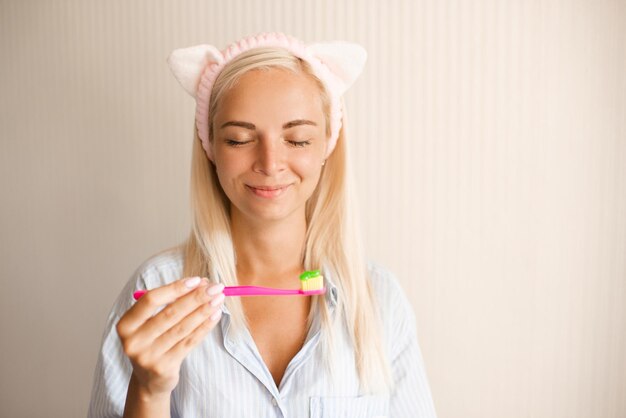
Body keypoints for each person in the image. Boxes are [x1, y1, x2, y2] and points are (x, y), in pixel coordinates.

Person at [87, 32, 437, 418]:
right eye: (238, 140)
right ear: (210, 149)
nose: (270, 164)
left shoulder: (381, 301)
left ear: (327, 147)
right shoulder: (156, 291)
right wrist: (149, 393)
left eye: (298, 140)